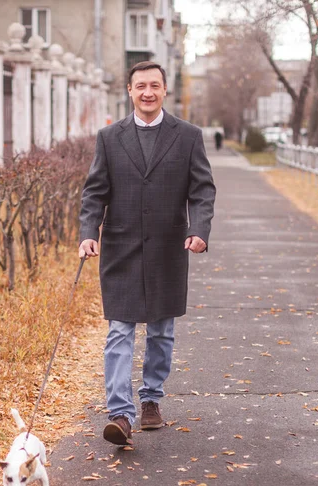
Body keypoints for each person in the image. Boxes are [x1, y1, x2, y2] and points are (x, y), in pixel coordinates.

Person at [78, 61, 215, 447]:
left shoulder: (188, 136)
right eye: (141, 86)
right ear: (129, 91)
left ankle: (151, 399)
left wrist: (198, 230)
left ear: (165, 91)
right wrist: (89, 233)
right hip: (121, 249)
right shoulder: (109, 137)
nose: (148, 92)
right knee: (119, 332)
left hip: (170, 249)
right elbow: (95, 193)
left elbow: (202, 191)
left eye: (155, 85)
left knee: (161, 331)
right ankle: (120, 414)